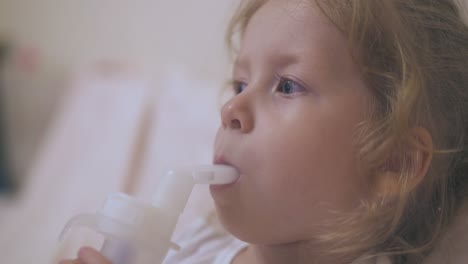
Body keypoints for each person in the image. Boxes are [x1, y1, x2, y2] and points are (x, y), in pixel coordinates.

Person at [59, 0, 468, 263]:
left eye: (287, 85)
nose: (230, 109)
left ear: (391, 162)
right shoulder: (198, 244)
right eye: (239, 84)